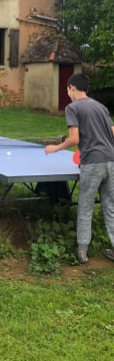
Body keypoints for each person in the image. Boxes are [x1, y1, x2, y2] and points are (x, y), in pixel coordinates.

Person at [44, 73, 114, 264]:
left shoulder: (72, 108)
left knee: (85, 206)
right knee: (110, 206)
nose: (67, 93)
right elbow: (112, 131)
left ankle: (82, 250)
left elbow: (75, 139)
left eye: (67, 90)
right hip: (110, 160)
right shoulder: (101, 107)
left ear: (72, 87)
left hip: (92, 162)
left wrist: (55, 148)